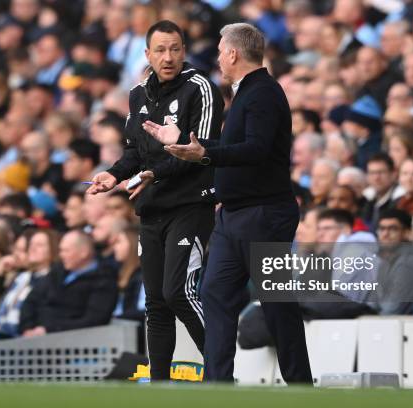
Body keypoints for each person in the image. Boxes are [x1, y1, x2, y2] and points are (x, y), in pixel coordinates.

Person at [143, 23, 312, 384]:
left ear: (233, 54)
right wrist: (195, 148)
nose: (218, 57)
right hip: (233, 216)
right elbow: (233, 150)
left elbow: (257, 149)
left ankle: (301, 386)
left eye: (221, 50)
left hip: (265, 214)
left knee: (278, 307)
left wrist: (205, 153)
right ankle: (217, 387)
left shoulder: (264, 92)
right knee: (215, 297)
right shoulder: (246, 94)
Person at [87, 20, 223, 380]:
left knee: (178, 292)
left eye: (175, 49)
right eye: (160, 50)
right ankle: (160, 385)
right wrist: (113, 175)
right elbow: (134, 152)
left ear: (184, 51)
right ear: (147, 54)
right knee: (156, 303)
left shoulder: (201, 89)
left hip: (191, 204)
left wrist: (154, 173)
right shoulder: (138, 94)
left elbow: (200, 149)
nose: (168, 57)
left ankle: (222, 371)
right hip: (152, 207)